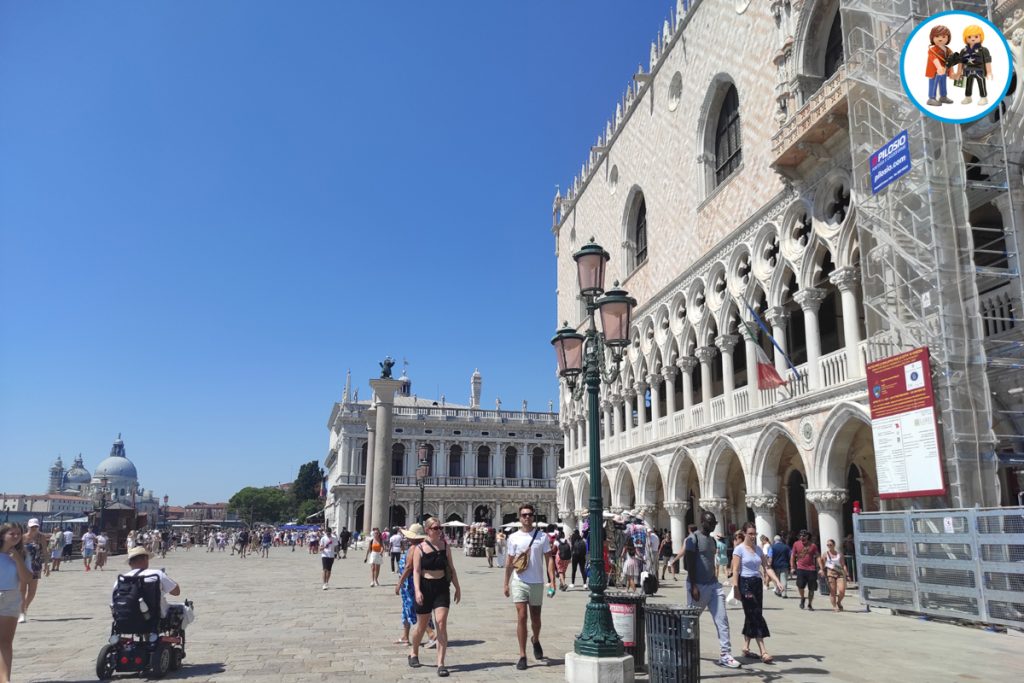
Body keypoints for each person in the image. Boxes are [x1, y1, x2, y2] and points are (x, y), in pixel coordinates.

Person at [671, 511, 741, 669]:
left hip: (713, 586)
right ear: (703, 522)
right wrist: (694, 586)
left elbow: (711, 562)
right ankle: (683, 650)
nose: (713, 526)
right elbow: (689, 563)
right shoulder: (692, 539)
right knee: (690, 621)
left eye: (714, 523)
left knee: (722, 620)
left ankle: (726, 654)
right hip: (698, 586)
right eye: (710, 523)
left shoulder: (712, 541)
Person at [503, 503, 556, 671]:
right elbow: (509, 562)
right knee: (521, 617)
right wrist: (506, 583)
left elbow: (549, 560)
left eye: (530, 515)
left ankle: (536, 639)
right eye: (524, 515)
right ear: (520, 518)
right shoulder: (513, 538)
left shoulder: (542, 537)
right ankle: (522, 655)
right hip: (519, 581)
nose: (527, 517)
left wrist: (552, 581)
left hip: (537, 582)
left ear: (534, 517)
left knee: (536, 619)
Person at [409, 518, 461, 677]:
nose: (438, 530)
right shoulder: (419, 548)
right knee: (421, 626)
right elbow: (416, 571)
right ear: (427, 530)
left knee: (441, 623)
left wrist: (457, 587)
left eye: (440, 528)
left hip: (441, 588)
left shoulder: (445, 546)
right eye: (435, 528)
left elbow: (451, 568)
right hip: (425, 587)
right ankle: (414, 652)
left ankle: (441, 663)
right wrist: (417, 590)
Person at [732, 522, 782, 664]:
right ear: (744, 534)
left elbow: (767, 567)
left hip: (757, 584)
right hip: (745, 583)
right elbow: (735, 570)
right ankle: (763, 651)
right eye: (750, 534)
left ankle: (746, 646)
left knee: (752, 613)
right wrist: (736, 588)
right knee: (756, 614)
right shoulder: (739, 550)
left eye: (755, 534)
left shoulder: (759, 550)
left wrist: (777, 581)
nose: (753, 536)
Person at [0, 523, 32, 683]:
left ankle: (5, 679)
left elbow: (26, 579)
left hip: (11, 597)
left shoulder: (23, 555)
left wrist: (17, 559)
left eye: (18, 534)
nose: (16, 536)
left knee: (5, 641)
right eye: (12, 533)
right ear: (2, 535)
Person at [19, 520, 46, 624]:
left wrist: (47, 565)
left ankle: (25, 607)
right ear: (28, 527)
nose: (34, 528)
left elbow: (45, 551)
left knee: (32, 591)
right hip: (23, 566)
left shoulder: (41, 537)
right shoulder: (22, 537)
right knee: (22, 590)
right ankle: (21, 613)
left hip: (36, 565)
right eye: (32, 527)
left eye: (35, 526)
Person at [790, 530, 821, 611]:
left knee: (811, 588)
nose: (802, 537)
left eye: (804, 536)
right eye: (800, 536)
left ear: (807, 536)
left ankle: (810, 604)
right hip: (800, 568)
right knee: (800, 586)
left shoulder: (813, 546)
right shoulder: (796, 544)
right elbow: (793, 556)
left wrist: (821, 568)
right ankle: (802, 598)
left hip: (811, 569)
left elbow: (818, 556)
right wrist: (792, 567)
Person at [925, 24, 954, 106]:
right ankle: (931, 98)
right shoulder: (933, 50)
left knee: (943, 83)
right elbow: (934, 58)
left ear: (948, 38)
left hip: (944, 70)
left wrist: (951, 71)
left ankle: (943, 96)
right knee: (933, 83)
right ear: (932, 38)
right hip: (935, 71)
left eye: (944, 36)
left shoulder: (948, 50)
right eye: (937, 36)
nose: (940, 39)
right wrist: (938, 67)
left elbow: (951, 60)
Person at [820, 539, 848, 611]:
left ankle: (839, 602)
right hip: (830, 574)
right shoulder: (825, 554)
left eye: (830, 545)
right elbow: (822, 563)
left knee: (842, 590)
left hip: (840, 574)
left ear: (834, 545)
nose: (829, 546)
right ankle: (834, 606)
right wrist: (822, 570)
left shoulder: (839, 554)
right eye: (828, 545)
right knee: (833, 591)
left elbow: (843, 564)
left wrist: (847, 574)